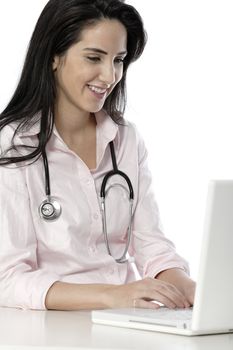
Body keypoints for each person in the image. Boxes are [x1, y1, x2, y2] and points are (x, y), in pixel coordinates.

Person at [0, 0, 195, 311]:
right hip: (48, 327)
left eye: (118, 60)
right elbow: (7, 279)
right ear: (53, 55)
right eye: (94, 57)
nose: (109, 75)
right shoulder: (12, 144)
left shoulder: (125, 139)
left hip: (124, 319)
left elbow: (152, 246)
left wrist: (191, 289)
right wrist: (112, 294)